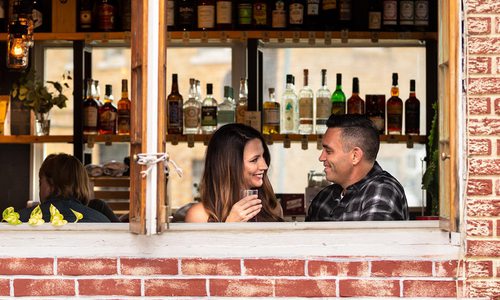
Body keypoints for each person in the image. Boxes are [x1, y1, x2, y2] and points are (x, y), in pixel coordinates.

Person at [306, 114, 409, 221]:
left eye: (328, 151)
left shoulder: (382, 191)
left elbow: (371, 237)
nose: (321, 158)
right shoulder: (324, 197)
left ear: (355, 156)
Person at [185, 123, 283, 222]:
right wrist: (230, 225)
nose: (264, 166)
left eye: (263, 156)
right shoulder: (198, 215)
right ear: (230, 166)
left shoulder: (272, 208)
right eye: (254, 160)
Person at [19, 153, 111, 223]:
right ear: (82, 184)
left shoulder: (17, 220)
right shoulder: (102, 220)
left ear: (50, 183)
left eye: (40, 182)